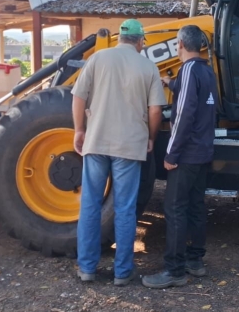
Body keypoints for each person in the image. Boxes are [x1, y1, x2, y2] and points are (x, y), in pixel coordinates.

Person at [72, 18, 166, 286]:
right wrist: (150, 137)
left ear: (119, 38)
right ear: (139, 41)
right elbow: (156, 110)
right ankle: (122, 273)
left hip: (97, 142)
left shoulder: (97, 59)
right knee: (125, 209)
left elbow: (78, 96)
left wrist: (79, 130)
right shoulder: (148, 66)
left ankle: (87, 269)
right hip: (129, 146)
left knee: (90, 205)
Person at [142, 25, 217, 289]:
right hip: (203, 152)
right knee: (196, 206)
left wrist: (171, 154)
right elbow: (196, 99)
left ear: (180, 44)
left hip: (185, 154)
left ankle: (174, 271)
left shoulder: (188, 70)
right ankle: (195, 262)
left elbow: (184, 114)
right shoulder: (206, 71)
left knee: (174, 209)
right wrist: (171, 84)